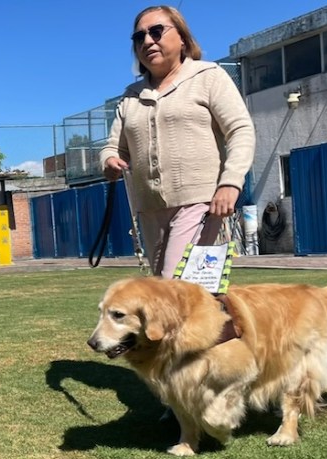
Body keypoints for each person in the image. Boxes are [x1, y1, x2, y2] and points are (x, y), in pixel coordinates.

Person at [100, 5, 255, 277]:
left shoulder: (209, 77)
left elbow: (240, 129)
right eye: (139, 37)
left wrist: (231, 183)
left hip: (203, 205)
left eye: (157, 31)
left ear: (182, 37)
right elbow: (114, 147)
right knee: (179, 299)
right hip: (150, 213)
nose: (148, 40)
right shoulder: (130, 96)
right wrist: (109, 160)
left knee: (177, 291)